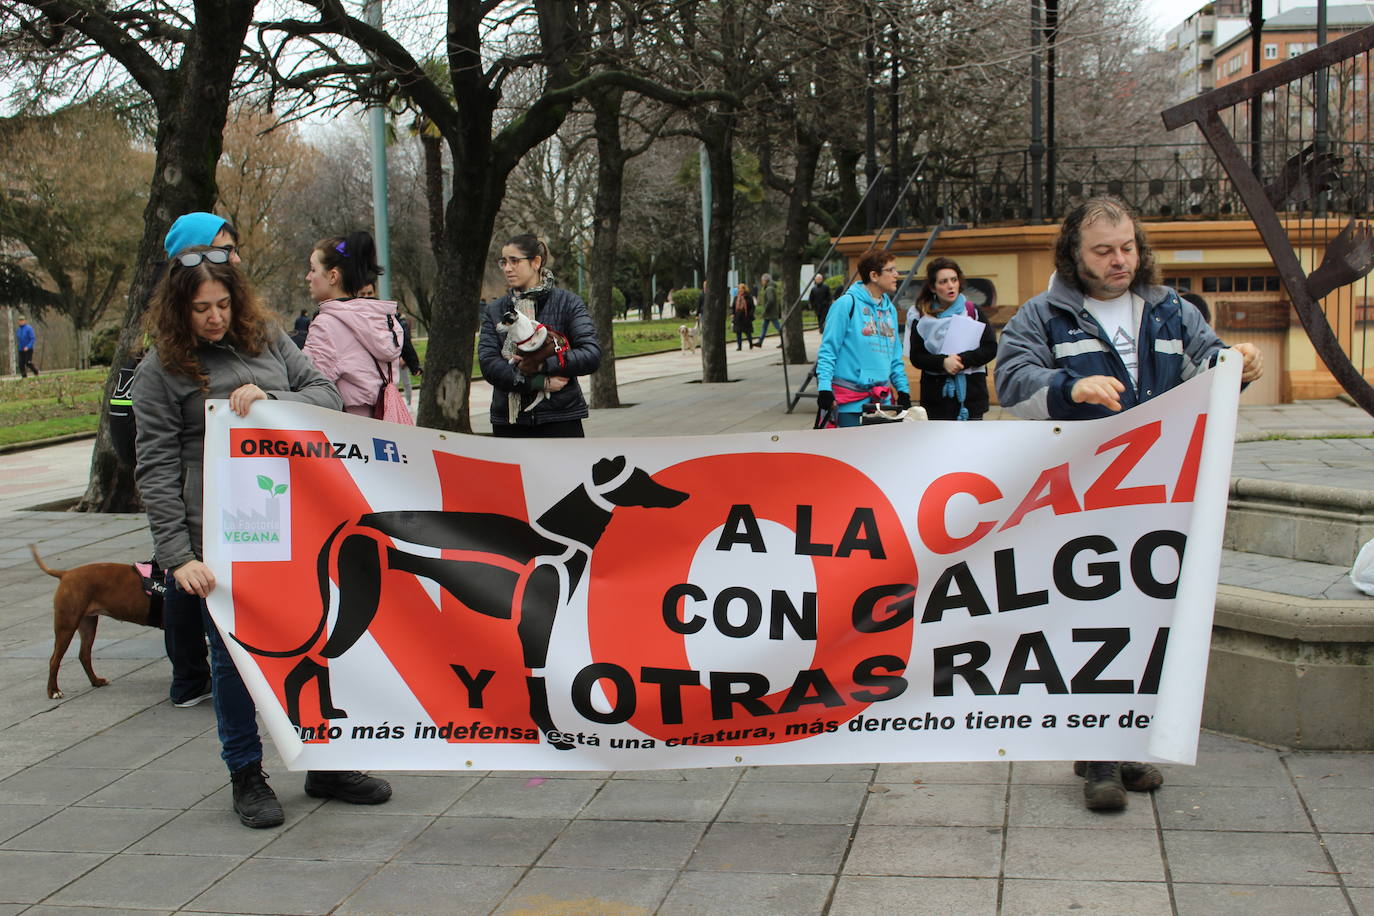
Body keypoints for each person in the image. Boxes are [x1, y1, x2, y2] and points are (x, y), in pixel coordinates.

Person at [995, 196, 1262, 811]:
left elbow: (1208, 369)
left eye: (1127, 247)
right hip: (1082, 499)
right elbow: (1011, 384)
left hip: (1163, 493)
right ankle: (1098, 761)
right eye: (1104, 251)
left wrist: (1239, 366)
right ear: (1074, 255)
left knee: (1147, 620)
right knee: (1091, 621)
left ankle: (1127, 744)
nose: (1120, 260)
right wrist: (1070, 388)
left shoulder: (1172, 311)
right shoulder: (1042, 316)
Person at [132, 247, 392, 828]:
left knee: (322, 642)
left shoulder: (267, 338)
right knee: (233, 664)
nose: (216, 318)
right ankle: (246, 774)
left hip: (298, 529)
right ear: (180, 309)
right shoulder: (161, 370)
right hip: (218, 545)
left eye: (223, 304)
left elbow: (327, 396)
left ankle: (326, 762)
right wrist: (177, 557)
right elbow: (153, 469)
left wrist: (274, 401)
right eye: (201, 308)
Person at [478, 234, 600, 437]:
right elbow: (489, 364)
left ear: (536, 261)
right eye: (504, 262)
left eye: (514, 261)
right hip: (509, 421)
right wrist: (537, 382)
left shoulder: (568, 303)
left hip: (560, 418)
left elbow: (591, 354)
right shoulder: (496, 309)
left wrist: (543, 364)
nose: (507, 268)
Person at [302, 231, 409, 422]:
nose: (308, 277)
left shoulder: (327, 325)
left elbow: (311, 385)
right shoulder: (378, 319)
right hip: (382, 426)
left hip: (344, 434)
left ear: (333, 276)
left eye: (313, 269)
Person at [815, 250, 912, 426]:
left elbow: (895, 356)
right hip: (849, 403)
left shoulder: (889, 310)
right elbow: (828, 350)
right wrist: (824, 389)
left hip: (883, 403)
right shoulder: (845, 305)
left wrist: (903, 391)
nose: (896, 275)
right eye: (891, 270)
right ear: (874, 275)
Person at [909, 257, 997, 420]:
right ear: (933, 287)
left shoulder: (973, 312)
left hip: (972, 399)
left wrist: (961, 360)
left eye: (954, 280)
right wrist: (943, 362)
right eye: (943, 282)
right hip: (937, 400)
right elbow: (917, 356)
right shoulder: (921, 317)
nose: (950, 286)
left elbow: (990, 348)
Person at [398, 311, 422, 406]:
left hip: (401, 357)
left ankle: (408, 404)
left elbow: (406, 343)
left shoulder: (402, 323)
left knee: (405, 381)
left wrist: (403, 358)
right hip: (395, 357)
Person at [755, 273, 783, 347]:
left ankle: (784, 340)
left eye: (762, 280)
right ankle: (760, 341)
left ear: (765, 280)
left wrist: (766, 310)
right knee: (764, 327)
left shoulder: (769, 289)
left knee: (778, 327)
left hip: (770, 313)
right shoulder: (770, 288)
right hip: (770, 313)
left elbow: (770, 300)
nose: (762, 282)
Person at [731, 282, 756, 350]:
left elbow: (752, 307)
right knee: (738, 333)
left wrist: (750, 314)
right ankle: (739, 346)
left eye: (741, 288)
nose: (739, 290)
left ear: (744, 289)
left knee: (748, 332)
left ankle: (750, 343)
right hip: (738, 317)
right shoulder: (736, 297)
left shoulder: (748, 297)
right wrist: (733, 314)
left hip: (746, 317)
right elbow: (733, 307)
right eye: (738, 288)